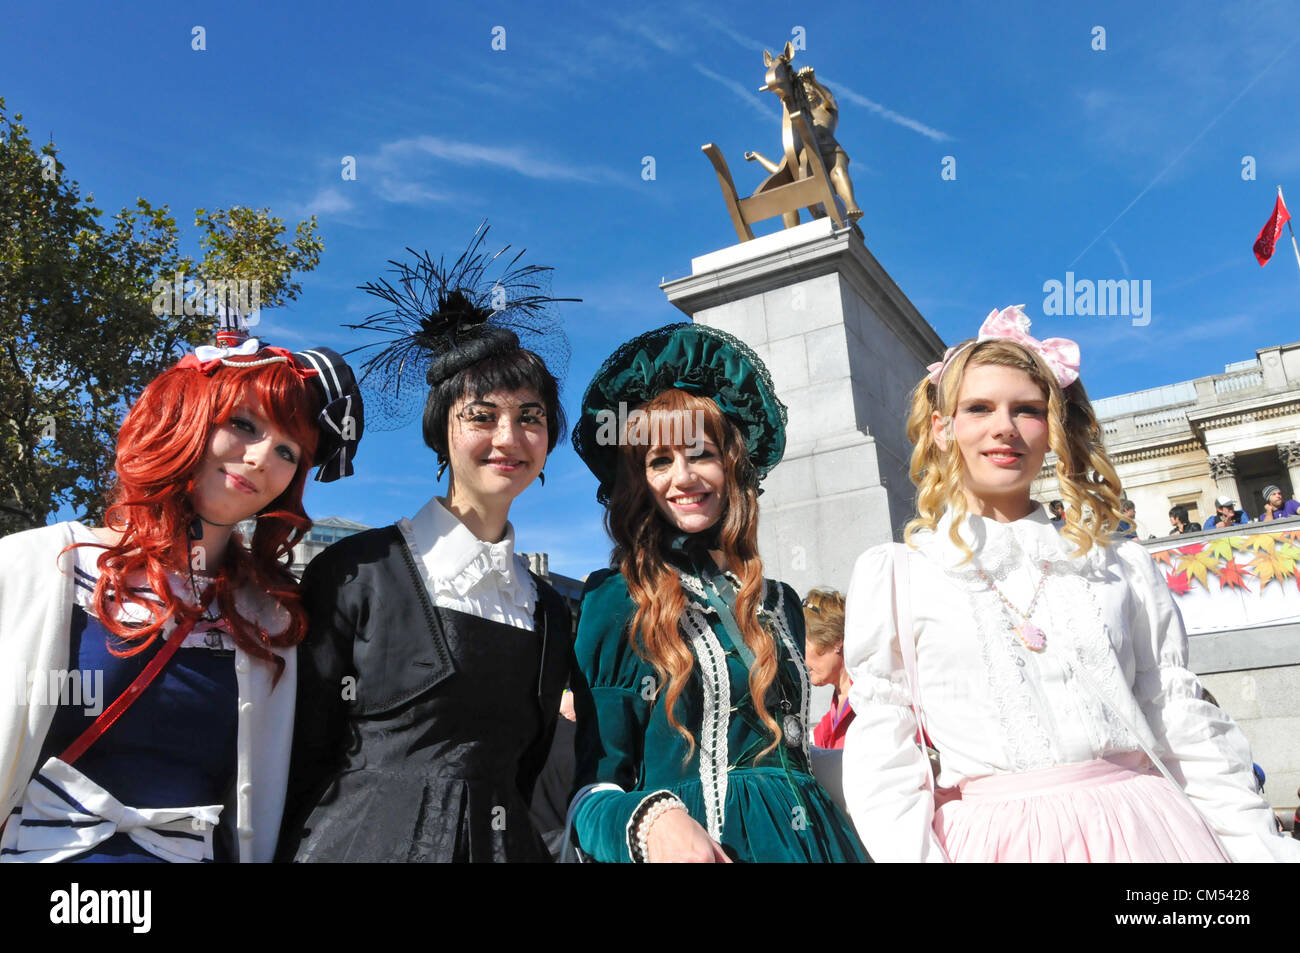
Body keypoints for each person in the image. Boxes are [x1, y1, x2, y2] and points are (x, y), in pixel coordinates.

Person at [841, 304, 1300, 862]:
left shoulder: (1120, 565)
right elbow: (887, 759)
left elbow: (1180, 722)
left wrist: (1259, 851)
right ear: (942, 428)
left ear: (1052, 429)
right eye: (979, 407)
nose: (1004, 427)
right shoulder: (900, 574)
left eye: (1028, 410)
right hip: (996, 842)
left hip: (1150, 834)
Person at [0, 326, 363, 862]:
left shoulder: (273, 617)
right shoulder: (42, 564)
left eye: (288, 450)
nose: (262, 458)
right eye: (243, 424)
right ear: (183, 418)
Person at [279, 226, 574, 862]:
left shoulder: (550, 612)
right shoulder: (356, 572)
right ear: (440, 435)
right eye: (482, 415)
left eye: (530, 416)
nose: (509, 435)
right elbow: (300, 752)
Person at [567, 323, 868, 863]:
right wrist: (654, 824)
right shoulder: (617, 602)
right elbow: (594, 789)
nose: (683, 477)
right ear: (639, 482)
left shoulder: (779, 601)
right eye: (660, 461)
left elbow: (787, 758)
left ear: (731, 466)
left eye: (700, 454)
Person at [804, 588, 854, 750]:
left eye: (804, 644)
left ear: (836, 642)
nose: (799, 654)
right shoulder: (828, 723)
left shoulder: (874, 699)